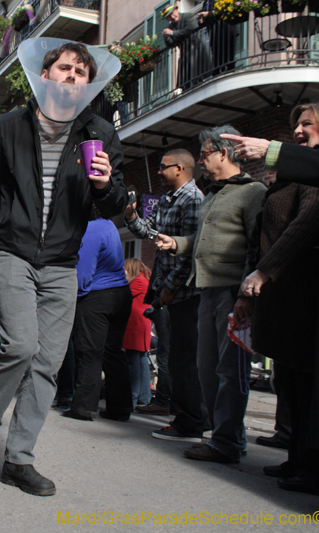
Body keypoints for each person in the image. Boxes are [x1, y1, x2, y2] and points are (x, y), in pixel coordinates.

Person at [0, 40, 128, 496]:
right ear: (45, 73)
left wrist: (106, 184)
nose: (72, 75)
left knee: (48, 363)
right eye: (64, 67)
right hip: (12, 252)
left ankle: (19, 459)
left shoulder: (98, 132)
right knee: (20, 345)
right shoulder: (8, 126)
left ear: (87, 83)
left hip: (61, 264)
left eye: (81, 71)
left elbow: (115, 204)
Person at [224, 87, 319, 521]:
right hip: (309, 292)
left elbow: (306, 223)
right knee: (299, 382)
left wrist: (272, 150)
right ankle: (316, 466)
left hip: (316, 292)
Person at [240, 103, 319, 496]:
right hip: (281, 294)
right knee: (290, 381)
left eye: (306, 123)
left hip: (305, 289)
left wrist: (266, 269)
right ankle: (299, 457)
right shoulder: (289, 176)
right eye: (295, 125)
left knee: (309, 383)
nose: (298, 131)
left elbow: (305, 224)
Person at [156, 126, 267, 464]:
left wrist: (246, 296)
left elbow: (255, 244)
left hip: (232, 293)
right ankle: (220, 435)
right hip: (205, 290)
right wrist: (178, 244)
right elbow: (202, 240)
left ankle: (228, 442)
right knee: (207, 368)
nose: (201, 160)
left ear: (223, 152)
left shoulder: (252, 191)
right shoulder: (213, 194)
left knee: (230, 371)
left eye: (204, 154)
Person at [125, 149, 204, 436]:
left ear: (180, 168)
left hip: (182, 292)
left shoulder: (193, 199)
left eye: (163, 167)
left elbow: (189, 249)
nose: (158, 172)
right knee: (174, 356)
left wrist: (171, 287)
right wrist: (131, 217)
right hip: (168, 291)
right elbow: (150, 233)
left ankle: (190, 420)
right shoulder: (169, 200)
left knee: (183, 358)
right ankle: (187, 416)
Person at [65, 214, 132, 422]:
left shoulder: (90, 229)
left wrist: (73, 298)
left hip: (97, 296)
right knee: (113, 352)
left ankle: (84, 406)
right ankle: (120, 407)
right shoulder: (109, 225)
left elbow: (83, 274)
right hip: (120, 292)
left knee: (89, 351)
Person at [123, 258, 152, 407]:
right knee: (141, 361)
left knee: (133, 361)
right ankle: (143, 397)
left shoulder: (138, 281)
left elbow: (124, 295)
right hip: (141, 324)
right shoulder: (144, 279)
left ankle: (133, 397)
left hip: (135, 325)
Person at [162, 4, 210, 90]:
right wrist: (166, 39)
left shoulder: (188, 16)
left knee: (200, 75)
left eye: (172, 13)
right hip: (185, 54)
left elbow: (189, 30)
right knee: (186, 82)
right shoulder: (170, 27)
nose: (172, 17)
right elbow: (172, 44)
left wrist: (172, 33)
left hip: (197, 49)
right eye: (168, 17)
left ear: (176, 9)